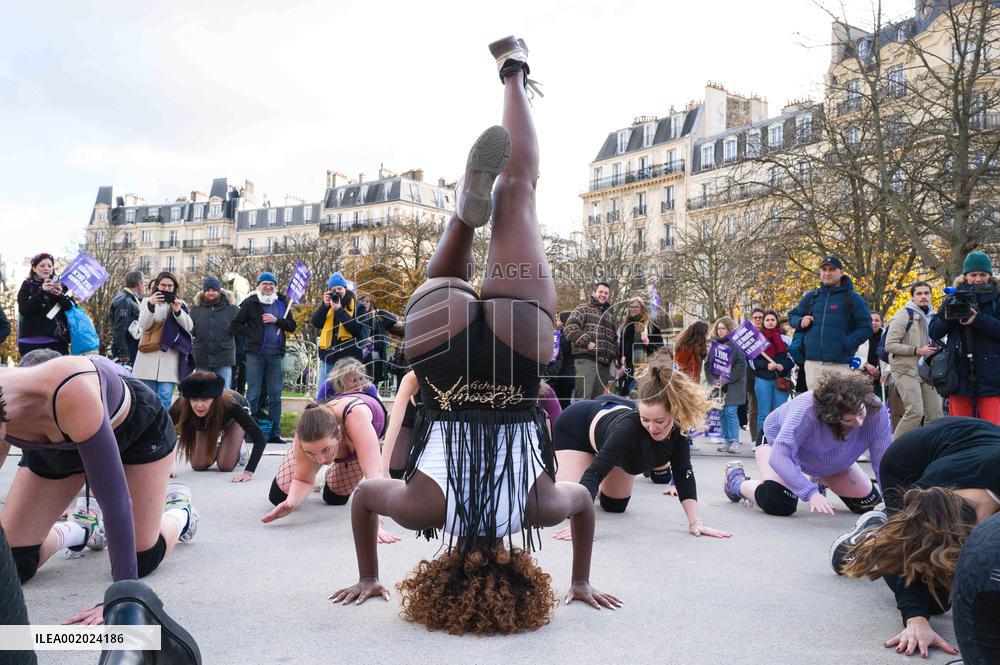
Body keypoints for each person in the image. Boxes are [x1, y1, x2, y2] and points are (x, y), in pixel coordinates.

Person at [331, 38, 619, 633]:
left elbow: (586, 502)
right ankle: (461, 219)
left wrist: (581, 580)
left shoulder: (536, 512)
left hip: (518, 352)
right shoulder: (420, 511)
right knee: (444, 282)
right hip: (446, 351)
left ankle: (513, 71)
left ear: (520, 571)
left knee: (518, 193)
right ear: (444, 569)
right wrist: (368, 575)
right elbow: (363, 499)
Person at [0, 355, 198, 624]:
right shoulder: (7, 409)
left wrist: (123, 596)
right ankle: (81, 528)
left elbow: (115, 500)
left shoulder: (72, 390)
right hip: (56, 439)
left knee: (140, 559)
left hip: (134, 431)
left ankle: (179, 512)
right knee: (13, 564)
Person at [834, 416, 1000, 659]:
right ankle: (873, 536)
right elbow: (909, 551)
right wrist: (916, 619)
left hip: (972, 445)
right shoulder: (928, 490)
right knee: (934, 599)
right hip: (906, 461)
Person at [550, 355, 730, 539]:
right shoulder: (628, 428)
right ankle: (576, 472)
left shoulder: (679, 429)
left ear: (674, 413)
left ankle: (602, 465)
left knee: (615, 506)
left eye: (659, 421)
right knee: (569, 508)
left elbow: (683, 472)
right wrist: (582, 524)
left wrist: (695, 522)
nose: (652, 427)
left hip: (614, 442)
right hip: (577, 427)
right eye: (646, 420)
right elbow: (594, 473)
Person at [724, 372, 890, 516]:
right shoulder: (806, 411)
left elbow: (883, 460)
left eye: (861, 413)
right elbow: (780, 457)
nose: (860, 422)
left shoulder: (876, 409)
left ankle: (818, 478)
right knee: (778, 502)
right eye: (849, 420)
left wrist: (893, 502)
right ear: (831, 417)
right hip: (777, 444)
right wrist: (811, 493)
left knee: (871, 505)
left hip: (831, 459)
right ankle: (736, 481)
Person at [263, 398, 396, 544]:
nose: (320, 460)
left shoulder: (357, 419)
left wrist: (376, 524)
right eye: (311, 453)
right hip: (333, 430)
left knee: (335, 498)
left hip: (361, 436)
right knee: (278, 497)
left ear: (339, 432)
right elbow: (303, 479)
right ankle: (322, 464)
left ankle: (331, 472)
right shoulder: (305, 432)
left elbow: (375, 478)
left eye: (325, 450)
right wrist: (291, 502)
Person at [928, 250, 1000, 424]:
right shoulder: (953, 298)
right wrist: (947, 316)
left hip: (992, 375)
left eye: (982, 274)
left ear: (989, 275)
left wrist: (979, 320)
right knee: (960, 431)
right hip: (958, 375)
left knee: (993, 432)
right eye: (973, 274)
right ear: (965, 276)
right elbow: (934, 332)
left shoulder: (997, 299)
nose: (977, 279)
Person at [788, 256, 873, 390]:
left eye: (832, 269)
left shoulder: (853, 298)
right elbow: (792, 315)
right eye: (824, 269)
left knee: (841, 409)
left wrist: (846, 344)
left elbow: (866, 327)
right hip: (813, 365)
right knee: (817, 408)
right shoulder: (812, 297)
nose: (827, 273)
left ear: (841, 272)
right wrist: (800, 321)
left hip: (841, 366)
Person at [231, 272, 298, 444]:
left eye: (271, 284)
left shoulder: (282, 302)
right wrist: (251, 335)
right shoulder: (250, 302)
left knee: (275, 395)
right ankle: (250, 432)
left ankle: (275, 433)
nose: (268, 286)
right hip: (255, 355)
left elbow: (292, 325)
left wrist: (277, 321)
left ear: (275, 286)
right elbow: (236, 325)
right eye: (264, 283)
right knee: (252, 394)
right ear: (258, 286)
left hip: (275, 355)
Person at [169, 371, 266, 482]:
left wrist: (248, 472)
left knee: (225, 465)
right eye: (194, 399)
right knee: (198, 465)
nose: (199, 405)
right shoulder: (182, 404)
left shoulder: (231, 404)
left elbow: (260, 438)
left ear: (214, 398)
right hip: (204, 421)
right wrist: (165, 468)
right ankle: (224, 446)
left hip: (232, 420)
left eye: (205, 399)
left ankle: (238, 448)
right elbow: (162, 433)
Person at [885, 281, 941, 437]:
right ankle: (893, 450)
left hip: (929, 370)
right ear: (913, 297)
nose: (923, 297)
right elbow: (889, 345)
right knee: (915, 412)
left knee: (935, 414)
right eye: (919, 293)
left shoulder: (934, 315)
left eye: (926, 293)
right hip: (905, 370)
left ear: (931, 295)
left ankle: (929, 450)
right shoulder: (904, 314)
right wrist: (917, 350)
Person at [133, 271, 193, 412]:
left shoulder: (180, 303)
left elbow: (189, 327)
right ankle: (148, 430)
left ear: (174, 287)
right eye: (163, 285)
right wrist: (151, 305)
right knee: (148, 398)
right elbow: (144, 325)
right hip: (148, 356)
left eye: (170, 286)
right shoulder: (147, 301)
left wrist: (177, 312)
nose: (166, 288)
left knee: (165, 397)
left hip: (169, 358)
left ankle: (162, 431)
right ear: (157, 285)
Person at [312, 272, 367, 390]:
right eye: (333, 290)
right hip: (329, 356)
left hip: (349, 357)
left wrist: (339, 310)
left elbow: (356, 329)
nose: (337, 292)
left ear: (345, 289)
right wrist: (324, 306)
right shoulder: (327, 306)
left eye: (339, 289)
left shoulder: (358, 307)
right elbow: (316, 323)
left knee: (349, 390)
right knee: (325, 392)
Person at [564, 281, 618, 400]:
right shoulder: (583, 309)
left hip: (604, 365)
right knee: (583, 399)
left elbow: (614, 339)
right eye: (601, 292)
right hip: (586, 361)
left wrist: (616, 358)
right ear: (594, 293)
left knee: (598, 402)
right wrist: (587, 342)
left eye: (606, 293)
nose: (603, 295)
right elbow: (569, 327)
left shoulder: (609, 316)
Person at [16, 252, 74, 357]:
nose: (46, 268)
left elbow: (70, 307)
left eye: (49, 266)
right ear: (34, 268)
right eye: (42, 266)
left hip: (57, 341)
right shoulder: (27, 285)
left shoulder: (62, 285)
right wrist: (41, 291)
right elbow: (24, 310)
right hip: (30, 342)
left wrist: (59, 295)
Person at [704, 316, 747, 454]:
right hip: (718, 386)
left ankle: (734, 441)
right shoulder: (714, 345)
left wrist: (727, 379)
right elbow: (707, 365)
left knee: (730, 412)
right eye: (718, 328)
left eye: (723, 328)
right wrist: (713, 380)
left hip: (734, 385)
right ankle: (727, 440)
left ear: (729, 329)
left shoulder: (736, 345)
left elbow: (741, 365)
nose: (720, 331)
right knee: (721, 412)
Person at [751, 310, 794, 444]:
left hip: (780, 380)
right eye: (767, 320)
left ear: (776, 322)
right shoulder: (758, 340)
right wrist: (766, 365)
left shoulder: (785, 339)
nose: (770, 322)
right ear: (763, 323)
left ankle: (777, 442)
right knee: (763, 413)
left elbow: (793, 360)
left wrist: (783, 365)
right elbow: (753, 362)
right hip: (762, 379)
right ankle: (761, 441)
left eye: (772, 320)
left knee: (779, 413)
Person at [189, 276, 240, 389]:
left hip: (224, 357)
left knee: (224, 391)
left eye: (213, 290)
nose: (210, 293)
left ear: (219, 291)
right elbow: (190, 330)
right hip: (202, 357)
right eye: (207, 290)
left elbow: (240, 329)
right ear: (203, 292)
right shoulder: (196, 309)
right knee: (203, 391)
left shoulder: (232, 309)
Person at [616, 297, 662, 396]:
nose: (633, 309)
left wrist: (647, 342)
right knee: (627, 396)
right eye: (631, 307)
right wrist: (620, 361)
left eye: (636, 307)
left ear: (642, 308)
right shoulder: (625, 326)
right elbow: (621, 348)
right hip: (628, 369)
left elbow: (660, 349)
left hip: (647, 369)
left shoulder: (652, 326)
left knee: (643, 396)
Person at [357, 291, 400, 388]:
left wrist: (379, 311)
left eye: (367, 301)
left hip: (376, 356)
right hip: (363, 356)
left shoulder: (378, 319)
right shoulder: (356, 318)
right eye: (362, 301)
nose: (364, 303)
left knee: (373, 385)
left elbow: (393, 320)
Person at [109, 270, 144, 368]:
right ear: (139, 284)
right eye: (143, 283)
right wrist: (124, 352)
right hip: (127, 349)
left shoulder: (131, 299)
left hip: (131, 346)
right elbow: (119, 328)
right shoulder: (124, 300)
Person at [744, 307, 765, 440]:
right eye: (755, 317)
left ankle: (766, 437)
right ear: (752, 320)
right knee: (754, 410)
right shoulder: (746, 337)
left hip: (768, 377)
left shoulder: (769, 334)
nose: (758, 320)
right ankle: (754, 439)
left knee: (768, 410)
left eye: (760, 317)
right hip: (751, 378)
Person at [860, 311, 885, 398]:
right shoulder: (859, 335)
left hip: (882, 379)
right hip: (861, 376)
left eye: (877, 320)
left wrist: (885, 372)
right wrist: (866, 365)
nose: (873, 323)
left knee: (879, 406)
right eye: (871, 320)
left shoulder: (887, 336)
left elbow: (892, 356)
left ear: (881, 322)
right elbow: (852, 356)